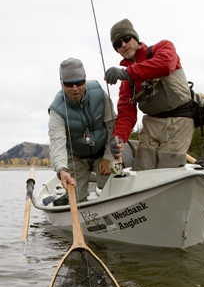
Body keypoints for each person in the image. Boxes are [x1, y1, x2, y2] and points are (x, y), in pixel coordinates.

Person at [105, 19, 194, 171]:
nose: (124, 45)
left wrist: (127, 72)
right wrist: (118, 138)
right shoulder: (127, 82)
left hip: (179, 121)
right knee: (142, 169)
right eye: (118, 44)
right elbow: (126, 115)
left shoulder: (163, 48)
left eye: (127, 39)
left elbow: (166, 64)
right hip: (151, 124)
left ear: (136, 38)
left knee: (167, 170)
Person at [48, 58, 117, 201]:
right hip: (76, 157)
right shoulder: (56, 110)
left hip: (102, 152)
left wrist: (109, 156)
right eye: (69, 84)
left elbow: (112, 126)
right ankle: (65, 199)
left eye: (79, 83)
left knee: (114, 189)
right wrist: (62, 170)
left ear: (85, 80)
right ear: (61, 84)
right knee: (76, 197)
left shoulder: (99, 93)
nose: (75, 89)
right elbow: (57, 144)